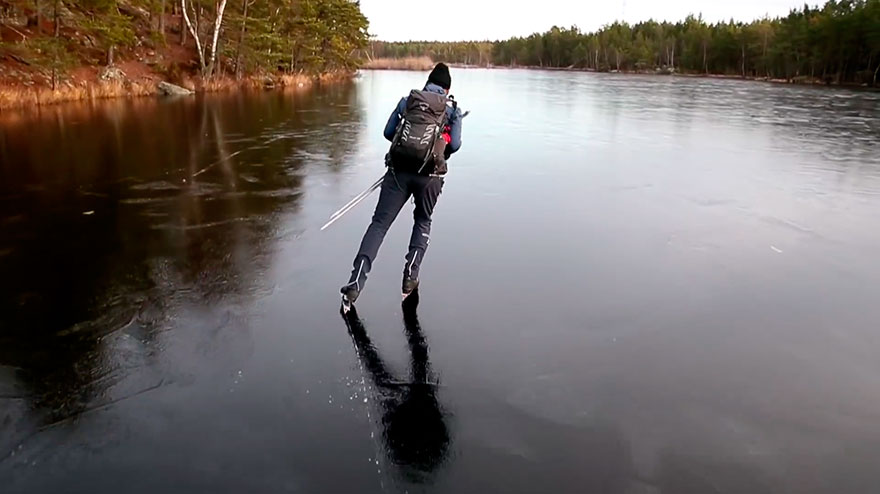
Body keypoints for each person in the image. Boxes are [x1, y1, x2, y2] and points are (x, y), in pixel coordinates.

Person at [341, 63, 463, 305]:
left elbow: (388, 133)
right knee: (422, 221)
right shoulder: (451, 110)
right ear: (447, 89)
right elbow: (455, 145)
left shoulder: (407, 101)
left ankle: (355, 283)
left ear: (427, 82)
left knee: (379, 224)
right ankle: (410, 276)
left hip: (397, 173)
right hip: (430, 177)